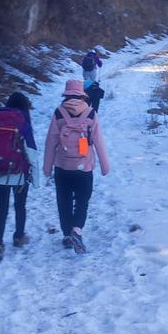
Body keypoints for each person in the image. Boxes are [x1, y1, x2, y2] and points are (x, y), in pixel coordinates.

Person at [43, 79, 110, 254]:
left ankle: (67, 235)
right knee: (82, 201)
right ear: (82, 95)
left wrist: (47, 167)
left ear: (66, 95)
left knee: (63, 201)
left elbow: (50, 141)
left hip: (62, 166)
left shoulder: (58, 113)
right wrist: (104, 166)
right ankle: (77, 230)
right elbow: (98, 142)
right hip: (84, 166)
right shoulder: (91, 113)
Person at [0, 92, 39, 262]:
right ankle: (18, 237)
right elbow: (31, 152)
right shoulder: (23, 121)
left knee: (1, 208)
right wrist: (35, 178)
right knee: (20, 205)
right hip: (19, 172)